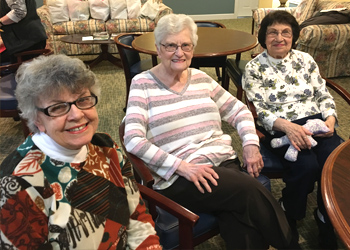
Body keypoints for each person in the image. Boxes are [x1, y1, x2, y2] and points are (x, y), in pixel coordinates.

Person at [124, 13, 300, 249]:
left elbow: (240, 111)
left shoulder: (200, 78)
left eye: (186, 45)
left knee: (241, 224)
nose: (179, 52)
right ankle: (292, 245)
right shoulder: (142, 84)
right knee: (249, 190)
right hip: (181, 176)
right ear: (157, 48)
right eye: (170, 46)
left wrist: (250, 145)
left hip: (222, 164)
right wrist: (182, 167)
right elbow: (133, 139)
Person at [0, 54, 162, 250]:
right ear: (37, 120)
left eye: (83, 100)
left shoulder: (106, 146)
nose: (77, 114)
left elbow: (136, 215)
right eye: (58, 107)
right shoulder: (18, 185)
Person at [242, 10, 343, 249]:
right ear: (263, 37)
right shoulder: (254, 67)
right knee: (307, 166)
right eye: (273, 32)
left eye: (285, 33)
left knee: (333, 163)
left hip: (316, 122)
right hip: (278, 126)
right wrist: (287, 127)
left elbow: (322, 93)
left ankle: (325, 216)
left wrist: (329, 119)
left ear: (294, 36)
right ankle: (291, 209)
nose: (279, 38)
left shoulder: (305, 60)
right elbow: (260, 110)